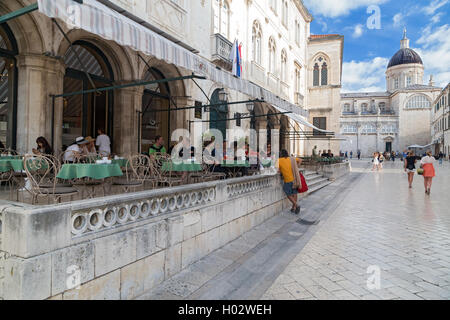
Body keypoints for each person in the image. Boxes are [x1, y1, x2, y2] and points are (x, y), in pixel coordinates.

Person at [276, 149, 301, 214]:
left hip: (288, 180)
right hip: (294, 179)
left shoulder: (279, 160)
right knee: (294, 193)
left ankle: (296, 205)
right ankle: (293, 208)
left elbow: (277, 170)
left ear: (280, 154)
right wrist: (296, 167)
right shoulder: (292, 159)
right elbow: (300, 160)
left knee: (288, 194)